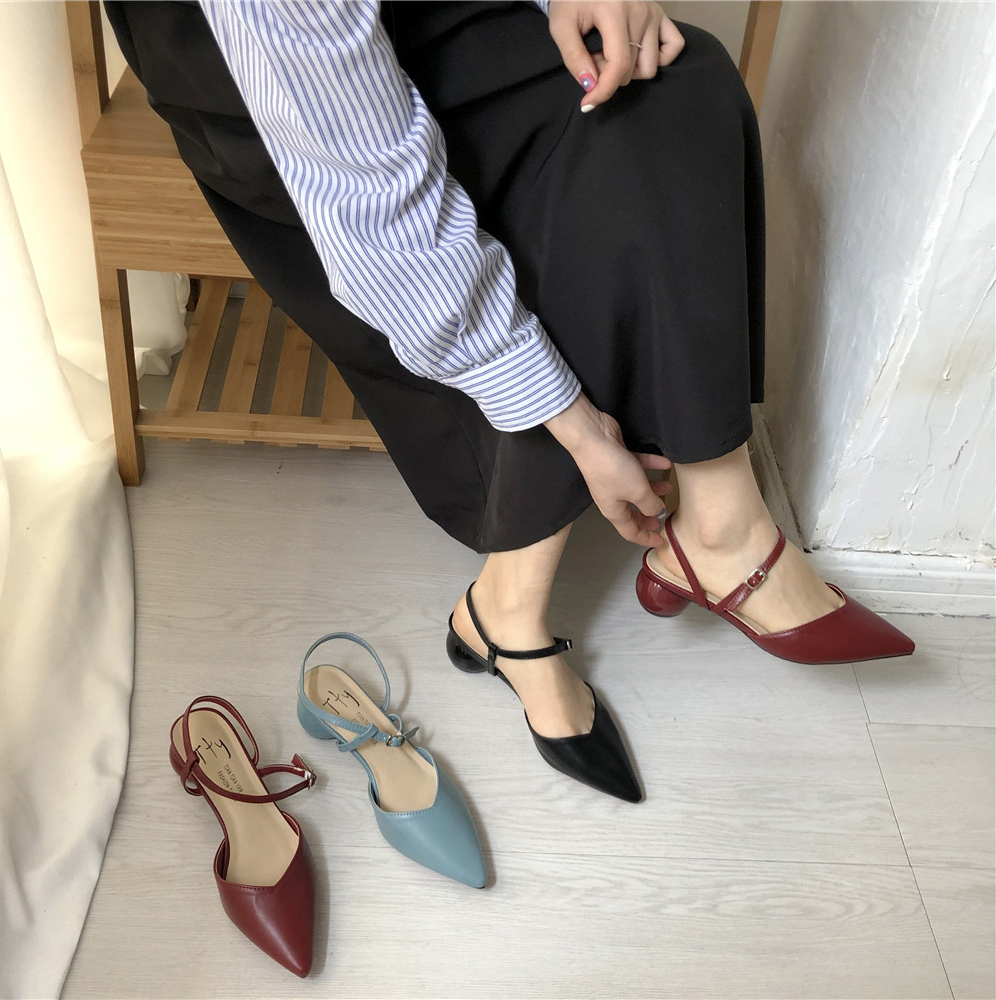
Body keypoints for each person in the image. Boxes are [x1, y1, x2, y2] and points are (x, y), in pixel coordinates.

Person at [104, 0, 914, 802]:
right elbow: (381, 213)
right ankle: (510, 610)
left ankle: (720, 522)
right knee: (555, 226)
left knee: (676, 84)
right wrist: (573, 422)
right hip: (268, 85)